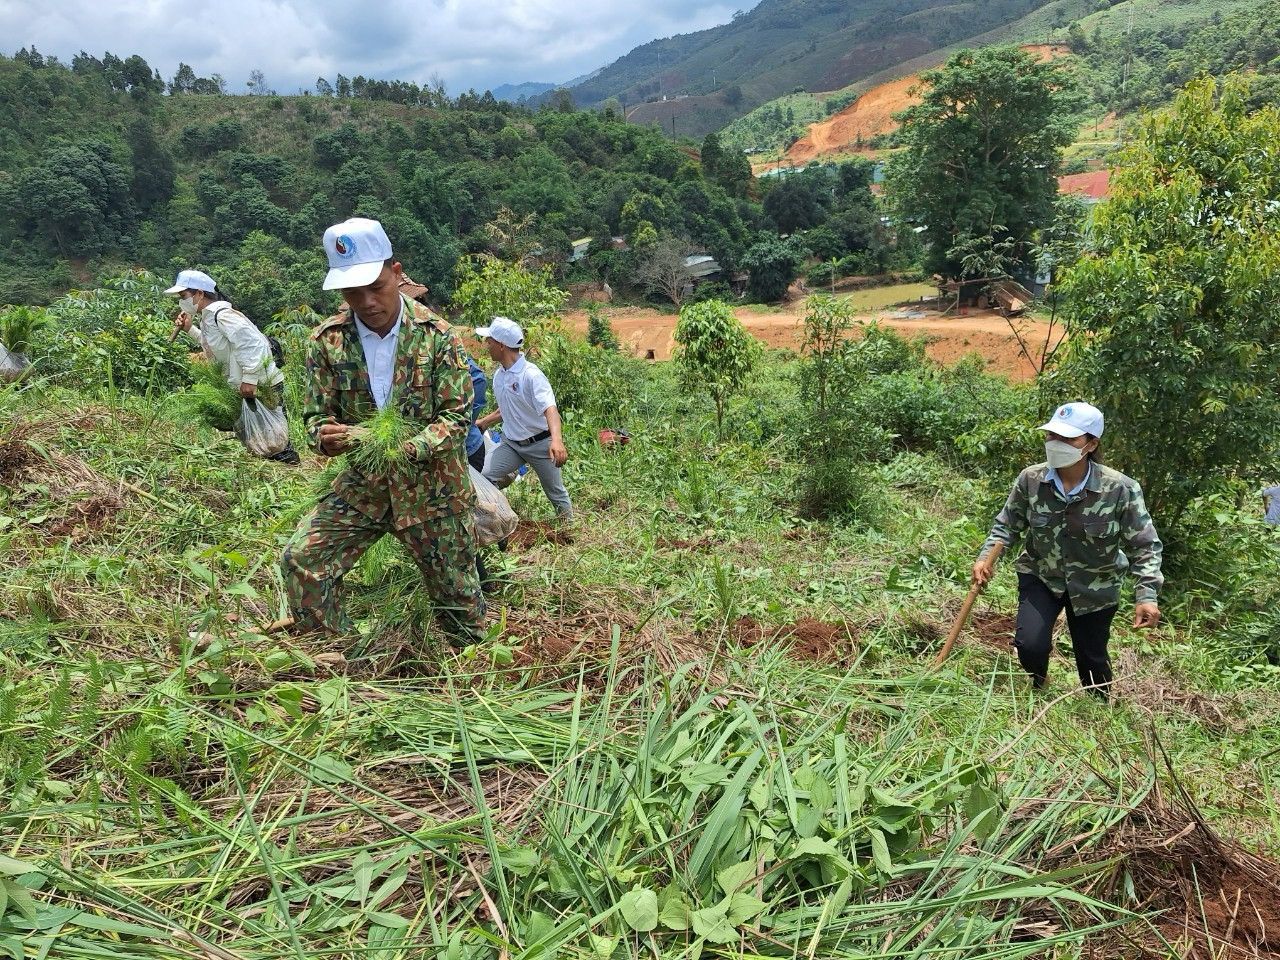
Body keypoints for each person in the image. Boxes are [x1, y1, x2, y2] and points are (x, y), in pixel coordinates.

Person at [279, 217, 485, 646]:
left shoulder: (438, 338)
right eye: (353, 292)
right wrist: (323, 437)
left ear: (396, 273)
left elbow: (455, 419)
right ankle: (336, 656)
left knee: (458, 601)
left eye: (376, 287)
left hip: (433, 492)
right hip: (364, 488)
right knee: (303, 559)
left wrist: (401, 447)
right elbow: (316, 416)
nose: (367, 301)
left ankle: (471, 673)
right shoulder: (327, 342)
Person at [972, 402, 1163, 698]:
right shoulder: (1032, 480)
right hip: (1042, 576)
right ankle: (1038, 687)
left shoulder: (1119, 489)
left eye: (1068, 438)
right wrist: (985, 558)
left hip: (1096, 585)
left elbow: (1145, 545)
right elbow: (1006, 525)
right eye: (1052, 436)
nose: (1056, 444)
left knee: (1092, 659)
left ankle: (1099, 710)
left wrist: (1146, 596)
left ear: (1091, 444)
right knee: (1029, 645)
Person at [167, 269, 300, 464]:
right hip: (244, 385)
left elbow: (254, 345)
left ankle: (291, 473)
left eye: (183, 295)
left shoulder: (223, 315)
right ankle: (273, 474)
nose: (181, 301)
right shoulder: (208, 318)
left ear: (200, 294)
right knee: (258, 438)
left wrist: (250, 379)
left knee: (275, 441)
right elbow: (216, 347)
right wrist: (189, 329)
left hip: (261, 384)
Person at [474, 317, 572, 521]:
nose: (487, 345)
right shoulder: (500, 375)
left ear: (501, 345)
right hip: (512, 445)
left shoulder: (531, 375)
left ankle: (568, 531)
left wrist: (557, 440)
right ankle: (498, 523)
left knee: (556, 493)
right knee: (485, 477)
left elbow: (549, 409)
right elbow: (508, 408)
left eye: (489, 341)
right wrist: (485, 422)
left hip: (540, 444)